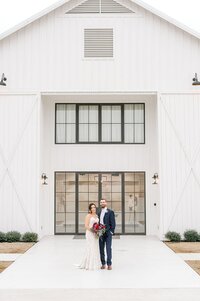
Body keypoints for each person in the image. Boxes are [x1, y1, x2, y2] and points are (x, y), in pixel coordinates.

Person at [78, 203, 101, 270]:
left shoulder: (96, 215)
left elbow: (97, 225)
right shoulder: (88, 216)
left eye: (94, 207)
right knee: (91, 247)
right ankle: (89, 264)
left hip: (95, 234)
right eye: (92, 207)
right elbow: (86, 226)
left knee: (95, 247)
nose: (93, 208)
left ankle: (95, 263)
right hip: (90, 233)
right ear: (90, 209)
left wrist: (98, 231)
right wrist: (93, 230)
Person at [98, 199, 116, 270]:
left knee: (108, 248)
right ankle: (103, 264)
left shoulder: (110, 212)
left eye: (103, 202)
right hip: (100, 232)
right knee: (101, 248)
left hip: (108, 232)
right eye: (101, 202)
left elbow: (113, 223)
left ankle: (109, 264)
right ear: (100, 204)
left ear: (106, 203)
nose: (102, 203)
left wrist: (112, 231)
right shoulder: (99, 212)